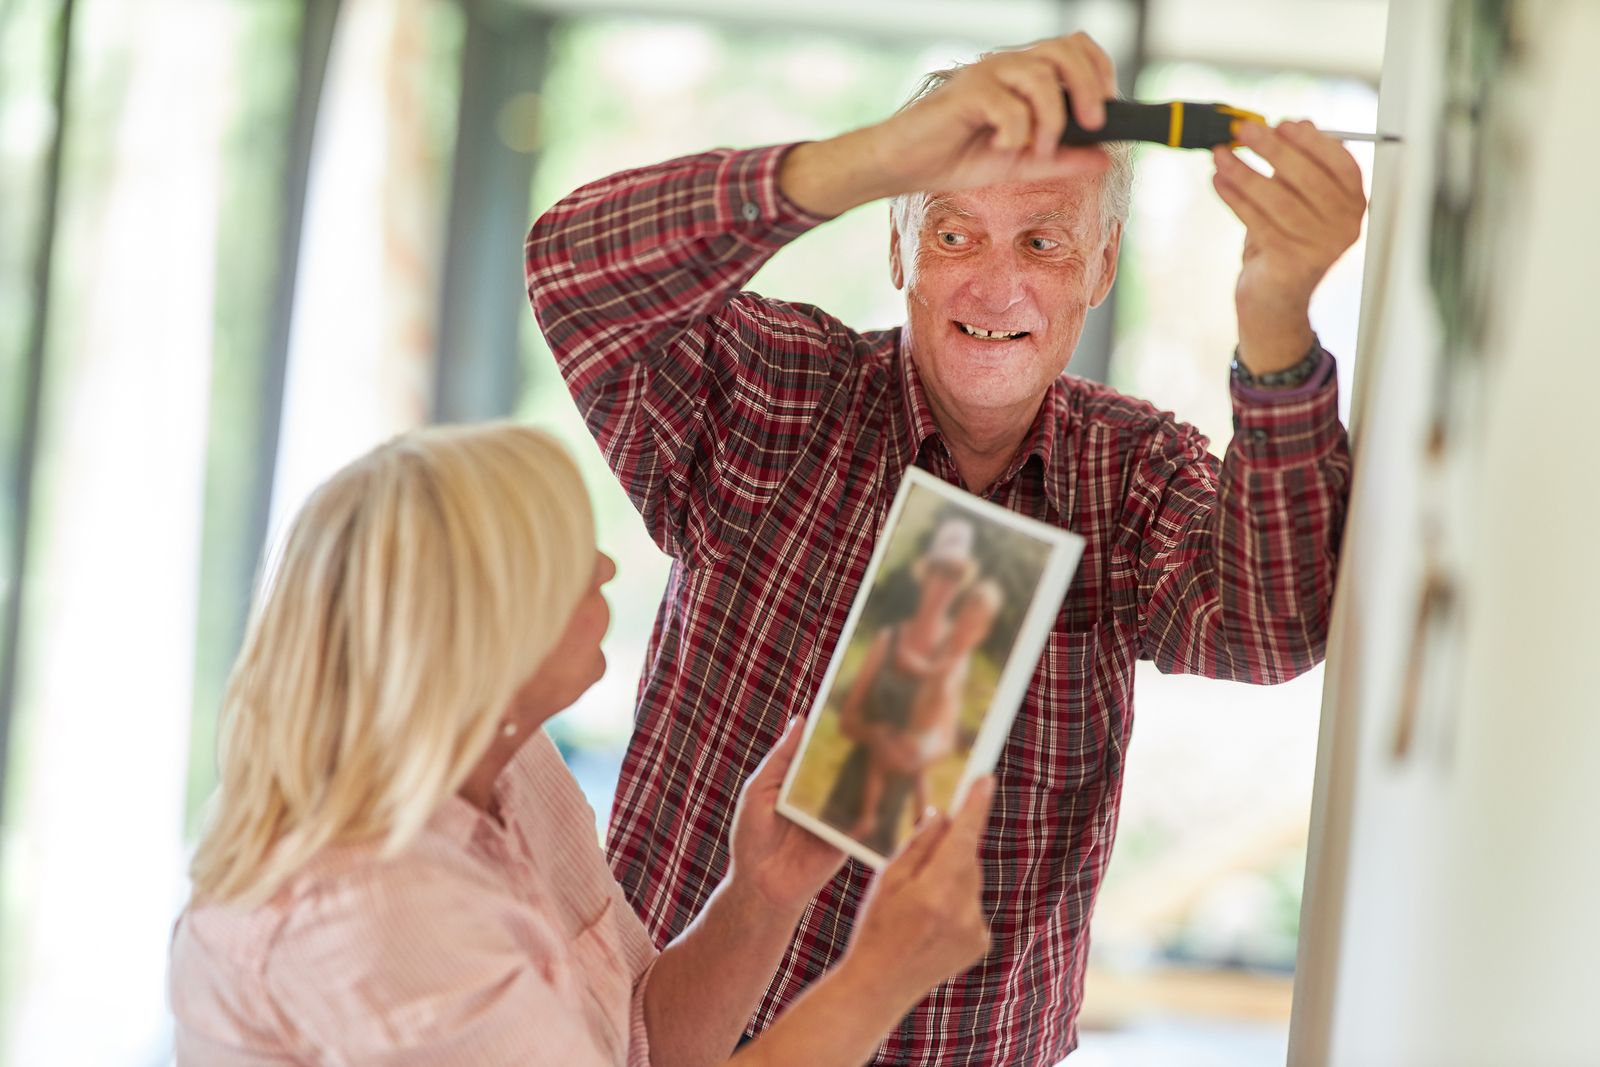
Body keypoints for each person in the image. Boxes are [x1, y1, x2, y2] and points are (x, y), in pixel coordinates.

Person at [526, 30, 1359, 1064]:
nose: (994, 288)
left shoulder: (1132, 472)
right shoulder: (777, 395)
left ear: (1102, 266)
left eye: (1043, 243)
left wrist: (1275, 321)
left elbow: (1270, 627)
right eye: (954, 234)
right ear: (898, 248)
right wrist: (872, 158)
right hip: (667, 1035)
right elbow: (573, 272)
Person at [166, 423, 994, 1066]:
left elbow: (637, 1041)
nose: (602, 566)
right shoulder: (375, 911)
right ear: (487, 630)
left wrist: (761, 894)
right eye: (565, 552)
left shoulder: (511, 762)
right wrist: (880, 976)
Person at [820, 518, 975, 848]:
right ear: (926, 575)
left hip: (893, 804)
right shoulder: (888, 641)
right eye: (940, 572)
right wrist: (876, 736)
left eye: (953, 576)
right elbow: (847, 720)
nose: (944, 584)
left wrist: (916, 751)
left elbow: (945, 741)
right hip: (848, 793)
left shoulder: (954, 657)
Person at [842, 576, 1004, 852]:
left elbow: (936, 685)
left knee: (886, 767)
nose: (963, 629)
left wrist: (914, 664)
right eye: (964, 619)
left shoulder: (955, 658)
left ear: (980, 632)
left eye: (972, 625)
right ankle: (919, 822)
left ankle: (873, 817)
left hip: (923, 736)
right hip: (917, 733)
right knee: (913, 778)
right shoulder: (946, 648)